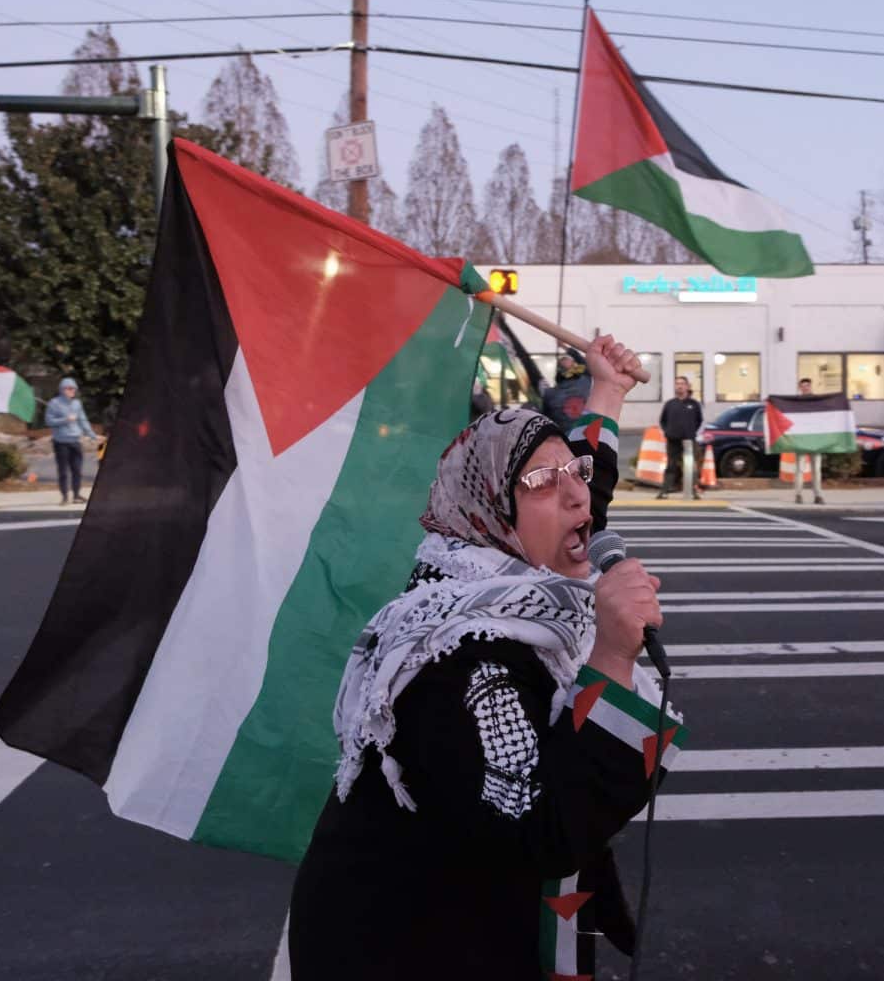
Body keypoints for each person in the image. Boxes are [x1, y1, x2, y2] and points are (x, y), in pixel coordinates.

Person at [289, 336, 686, 981]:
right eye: (540, 483)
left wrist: (607, 391)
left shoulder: (519, 584)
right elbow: (541, 829)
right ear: (489, 513)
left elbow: (583, 486)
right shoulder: (464, 654)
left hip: (478, 922)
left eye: (576, 478)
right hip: (409, 949)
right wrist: (612, 655)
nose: (579, 498)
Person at [45, 377, 98, 506]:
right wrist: (65, 419)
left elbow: (82, 420)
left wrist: (92, 435)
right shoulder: (54, 403)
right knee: (63, 470)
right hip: (61, 442)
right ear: (62, 389)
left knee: (77, 470)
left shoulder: (77, 404)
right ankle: (64, 496)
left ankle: (76, 495)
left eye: (74, 388)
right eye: (69, 388)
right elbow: (49, 421)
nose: (72, 390)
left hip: (75, 440)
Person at [657, 375, 704, 499]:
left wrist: (690, 432)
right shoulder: (670, 404)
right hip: (672, 440)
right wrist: (668, 432)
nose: (679, 386)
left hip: (689, 440)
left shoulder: (694, 404)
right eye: (677, 383)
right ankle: (664, 491)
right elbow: (663, 420)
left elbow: (699, 420)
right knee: (671, 466)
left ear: (687, 386)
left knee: (690, 466)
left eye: (682, 383)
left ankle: (693, 492)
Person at [539, 346, 592, 432]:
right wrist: (565, 347)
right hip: (584, 432)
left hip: (561, 436)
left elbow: (545, 419)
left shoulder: (549, 394)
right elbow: (585, 363)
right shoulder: (585, 381)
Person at [794, 377, 825, 505]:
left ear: (810, 387)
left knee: (816, 469)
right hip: (801, 439)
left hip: (815, 439)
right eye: (803, 386)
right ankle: (798, 494)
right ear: (800, 388)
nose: (805, 387)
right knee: (800, 468)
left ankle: (818, 495)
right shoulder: (795, 403)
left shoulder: (817, 401)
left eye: (807, 385)